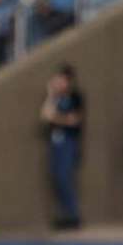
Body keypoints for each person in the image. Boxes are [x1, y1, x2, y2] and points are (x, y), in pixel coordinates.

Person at [40, 64, 84, 229]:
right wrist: (51, 95)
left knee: (65, 178)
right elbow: (45, 115)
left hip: (69, 142)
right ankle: (63, 215)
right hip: (55, 143)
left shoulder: (75, 97)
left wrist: (56, 118)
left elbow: (73, 120)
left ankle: (73, 215)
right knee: (56, 178)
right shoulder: (55, 98)